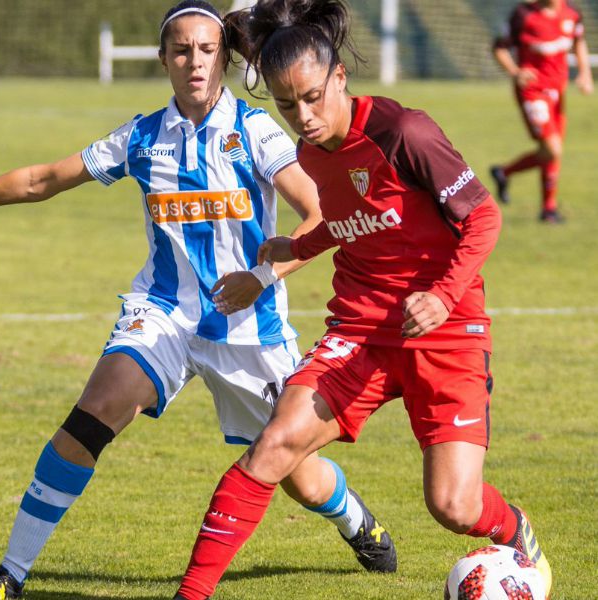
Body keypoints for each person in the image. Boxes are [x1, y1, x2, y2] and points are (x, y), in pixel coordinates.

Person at [0, 2, 396, 599]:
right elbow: (42, 181)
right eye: (180, 50)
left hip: (250, 328)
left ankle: (355, 519)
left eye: (205, 50)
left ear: (223, 57)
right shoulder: (142, 137)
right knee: (90, 415)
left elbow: (320, 214)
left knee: (297, 475)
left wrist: (263, 275)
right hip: (162, 314)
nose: (194, 62)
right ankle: (8, 578)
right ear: (163, 60)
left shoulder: (255, 130)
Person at [171, 1, 552, 598]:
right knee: (274, 445)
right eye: (287, 104)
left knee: (454, 505)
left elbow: (483, 217)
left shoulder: (405, 132)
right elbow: (358, 218)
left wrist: (444, 297)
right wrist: (290, 251)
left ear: (340, 78)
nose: (304, 116)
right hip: (361, 330)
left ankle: (516, 535)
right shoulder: (308, 154)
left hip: (445, 332)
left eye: (314, 97)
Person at [490, 0, 593, 223]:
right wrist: (515, 72)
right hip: (532, 92)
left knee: (553, 149)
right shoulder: (523, 15)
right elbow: (499, 47)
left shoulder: (572, 13)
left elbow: (579, 41)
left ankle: (547, 209)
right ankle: (507, 173)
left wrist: (585, 73)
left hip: (558, 92)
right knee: (552, 148)